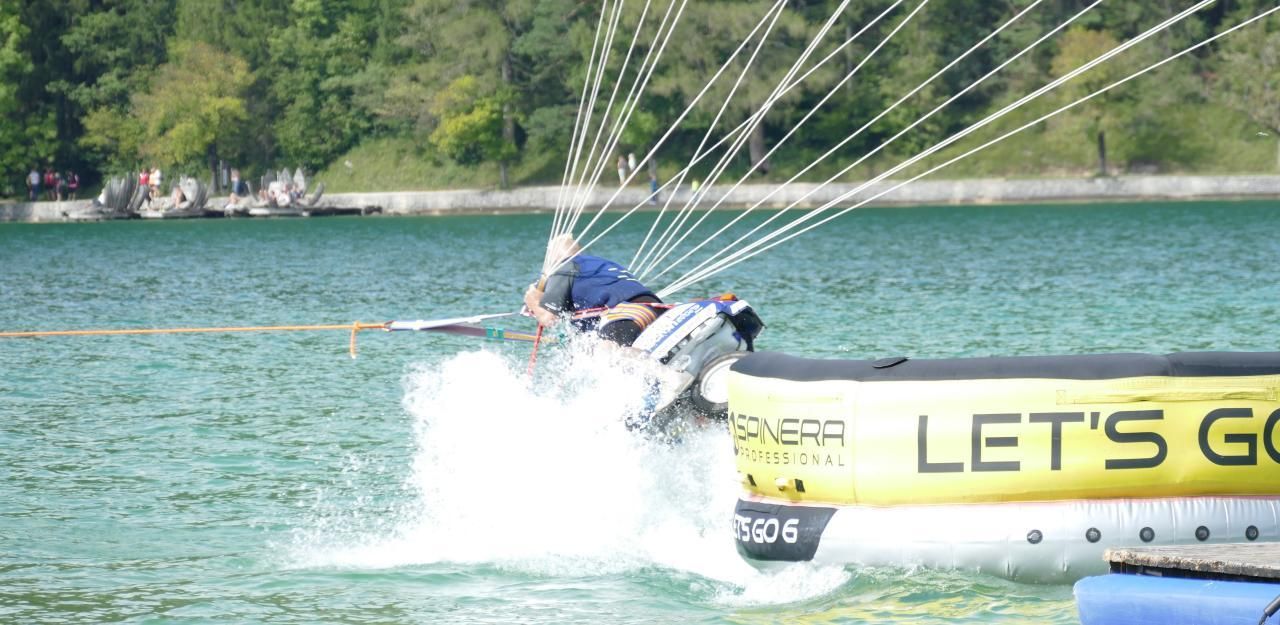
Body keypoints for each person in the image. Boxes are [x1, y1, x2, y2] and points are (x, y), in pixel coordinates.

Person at [523, 234, 665, 346]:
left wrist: (533, 301)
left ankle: (666, 375)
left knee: (607, 353)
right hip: (658, 309)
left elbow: (549, 319)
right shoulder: (601, 265)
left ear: (552, 258)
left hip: (626, 312)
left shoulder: (564, 268)